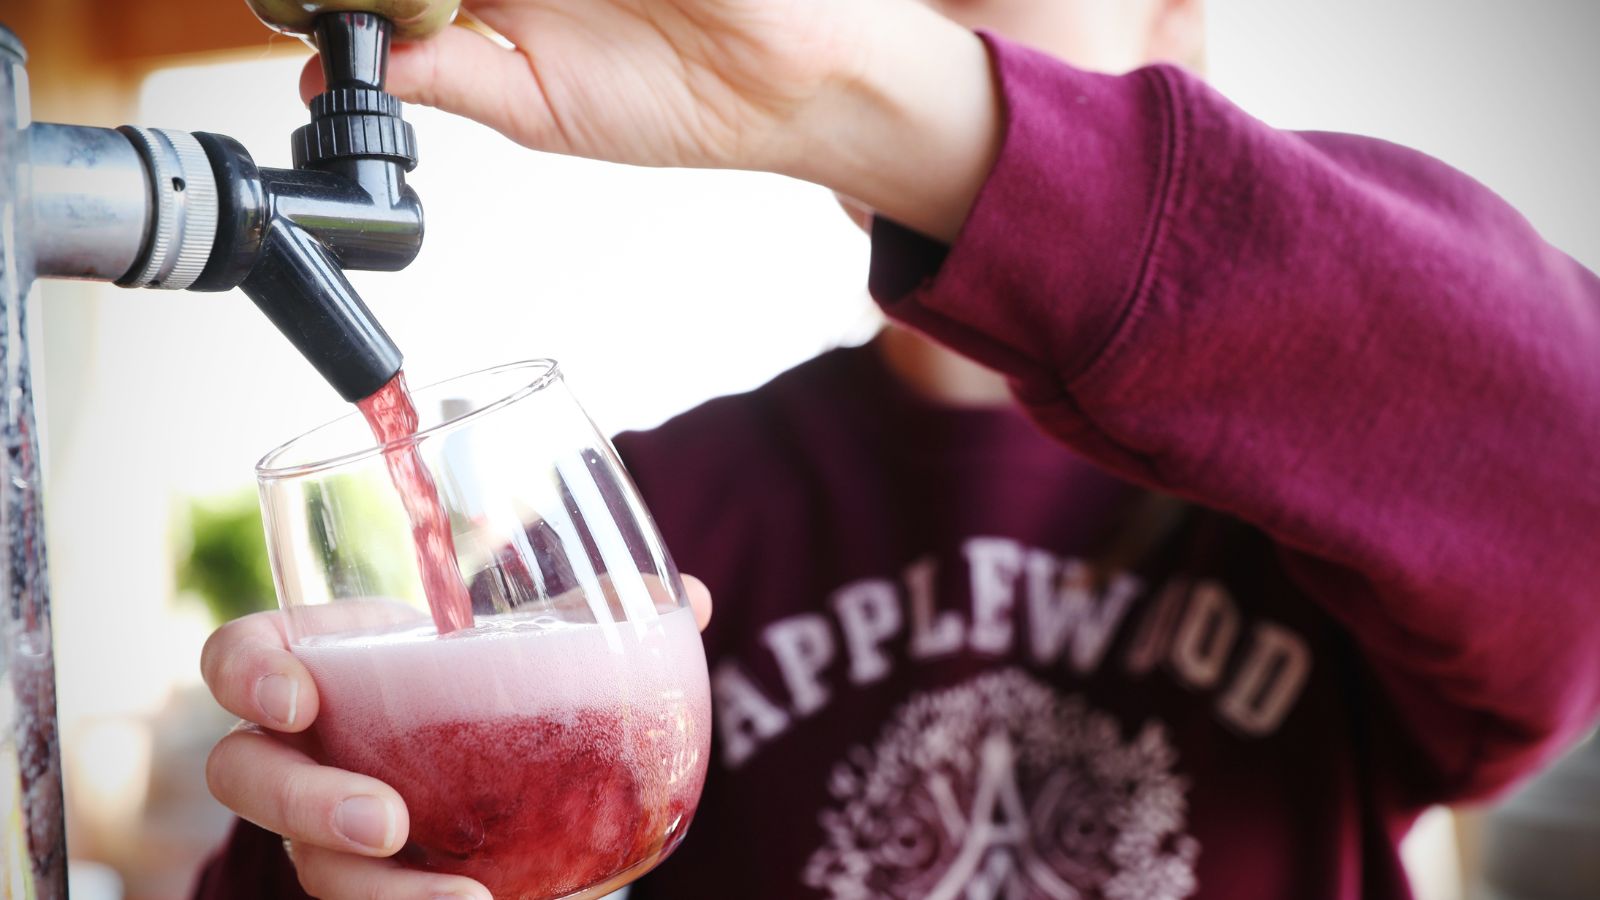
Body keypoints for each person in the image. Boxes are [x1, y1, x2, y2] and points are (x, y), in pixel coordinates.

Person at [192, 0, 1600, 897]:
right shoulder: (642, 539)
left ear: (1175, 38)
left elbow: (1565, 441)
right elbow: (378, 845)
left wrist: (874, 99)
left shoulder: (1334, 496)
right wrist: (323, 861)